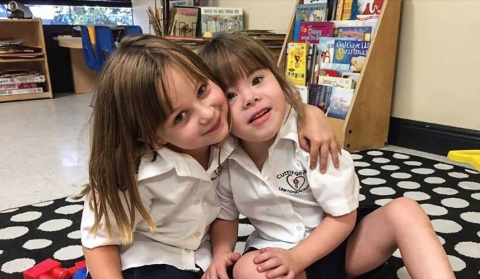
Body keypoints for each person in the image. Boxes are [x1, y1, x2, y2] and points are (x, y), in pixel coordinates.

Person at [80, 35, 340, 279]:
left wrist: (311, 114)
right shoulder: (133, 173)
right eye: (180, 116)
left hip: (205, 259)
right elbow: (98, 243)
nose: (207, 114)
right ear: (152, 136)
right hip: (148, 259)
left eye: (202, 90)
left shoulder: (226, 133)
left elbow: (277, 103)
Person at [198, 33, 455, 279]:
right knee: (246, 270)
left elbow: (343, 217)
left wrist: (298, 257)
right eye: (231, 95)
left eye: (256, 80)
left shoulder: (311, 139)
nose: (250, 98)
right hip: (277, 251)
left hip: (343, 243)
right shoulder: (224, 158)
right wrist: (221, 254)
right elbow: (225, 215)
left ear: (277, 78)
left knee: (405, 211)